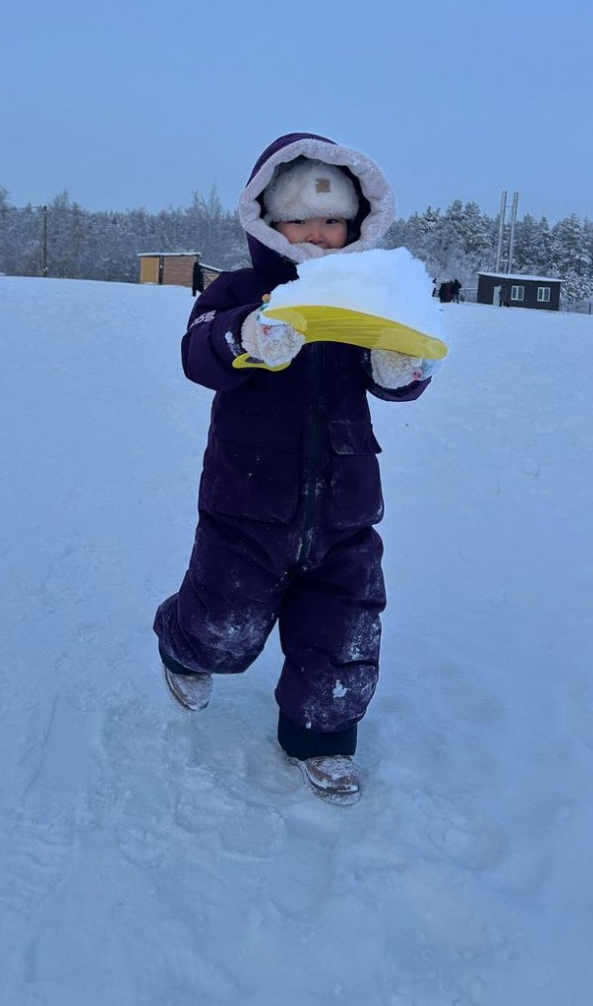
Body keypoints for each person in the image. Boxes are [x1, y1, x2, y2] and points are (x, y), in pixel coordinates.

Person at [153, 133, 439, 805]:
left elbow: (394, 369)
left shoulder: (365, 294)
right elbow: (198, 352)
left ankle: (322, 735)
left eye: (333, 219)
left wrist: (400, 366)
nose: (317, 233)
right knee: (224, 621)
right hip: (246, 501)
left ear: (356, 224)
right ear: (268, 221)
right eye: (300, 219)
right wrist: (247, 333)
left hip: (345, 506)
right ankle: (183, 648)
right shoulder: (238, 289)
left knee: (344, 631)